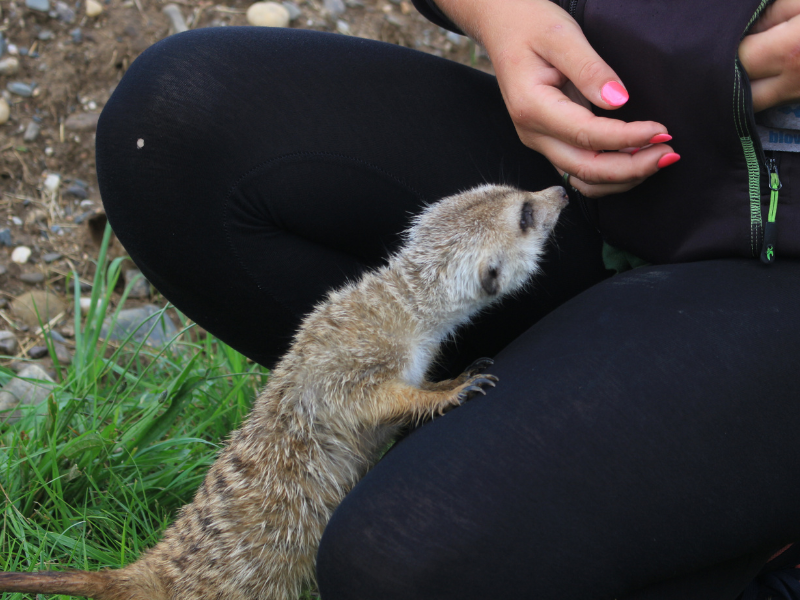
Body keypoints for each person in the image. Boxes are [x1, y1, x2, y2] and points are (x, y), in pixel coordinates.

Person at [94, 0, 800, 598]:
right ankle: (526, 440)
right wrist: (501, 11)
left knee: (394, 558)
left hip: (777, 262)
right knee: (171, 123)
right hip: (632, 156)